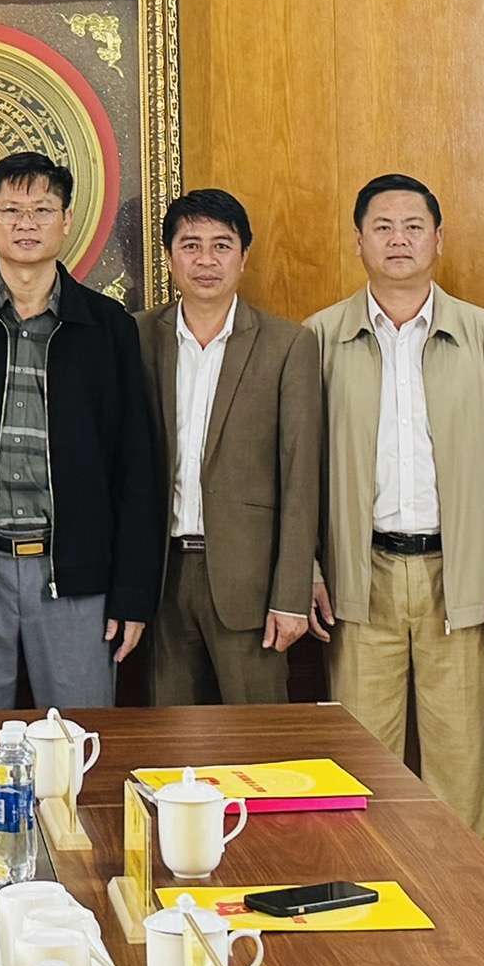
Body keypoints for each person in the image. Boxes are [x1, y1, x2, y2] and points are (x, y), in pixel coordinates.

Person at [307, 175, 484, 841]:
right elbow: (298, 475)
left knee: (458, 777)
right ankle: (365, 897)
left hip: (460, 583)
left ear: (439, 239)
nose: (398, 239)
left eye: (414, 226)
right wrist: (308, 569)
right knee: (359, 772)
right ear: (358, 242)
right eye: (382, 226)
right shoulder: (320, 336)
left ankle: (460, 906)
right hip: (359, 581)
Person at [0, 152, 158, 709]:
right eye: (11, 210)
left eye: (42, 209)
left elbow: (134, 466)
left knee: (79, 740)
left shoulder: (108, 327)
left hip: (75, 574)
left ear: (66, 220)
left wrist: (132, 593)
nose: (27, 223)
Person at [135, 188, 322, 705]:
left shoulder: (288, 345)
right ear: (169, 256)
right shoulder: (137, 337)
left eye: (221, 245)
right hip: (162, 577)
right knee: (172, 737)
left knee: (259, 736)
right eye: (190, 245)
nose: (206, 260)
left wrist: (291, 595)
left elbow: (301, 477)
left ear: (244, 256)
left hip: (251, 583)